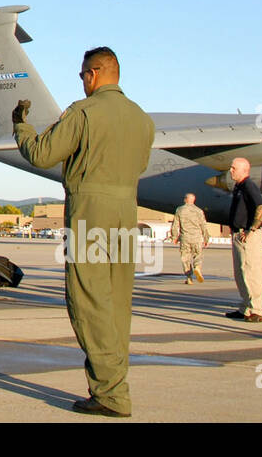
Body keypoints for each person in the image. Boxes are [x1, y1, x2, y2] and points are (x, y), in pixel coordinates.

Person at [12, 46, 155, 418]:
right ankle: (112, 386)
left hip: (91, 212)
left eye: (82, 76)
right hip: (127, 211)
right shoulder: (141, 118)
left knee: (89, 302)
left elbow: (43, 155)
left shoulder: (84, 111)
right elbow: (139, 163)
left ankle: (111, 394)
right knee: (116, 304)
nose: (82, 82)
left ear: (92, 74)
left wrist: (21, 126)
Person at [224, 157, 262, 322]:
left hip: (247, 236)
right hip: (238, 234)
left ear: (244, 170)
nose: (231, 170)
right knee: (240, 273)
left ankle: (257, 309)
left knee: (251, 272)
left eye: (234, 168)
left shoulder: (249, 186)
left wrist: (252, 229)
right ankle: (246, 307)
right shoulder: (239, 187)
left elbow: (261, 207)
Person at [170, 193, 211, 284]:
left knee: (185, 258)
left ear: (185, 199)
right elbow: (203, 225)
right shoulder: (199, 211)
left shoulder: (180, 210)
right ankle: (197, 267)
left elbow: (175, 225)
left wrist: (174, 237)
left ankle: (189, 277)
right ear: (194, 200)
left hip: (185, 238)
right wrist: (206, 238)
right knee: (198, 255)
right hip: (196, 237)